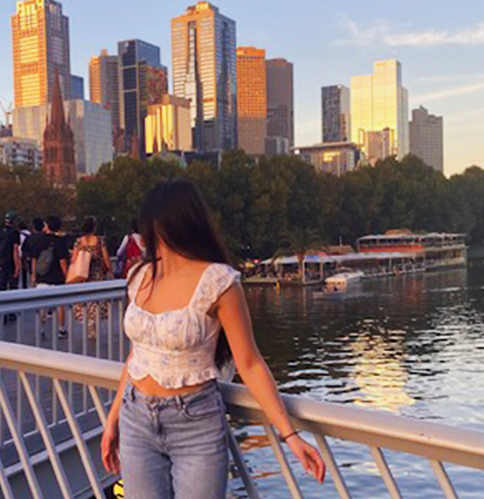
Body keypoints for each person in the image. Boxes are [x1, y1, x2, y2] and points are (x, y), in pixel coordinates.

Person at [101, 180, 325, 498]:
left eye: (148, 226)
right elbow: (137, 356)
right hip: (136, 418)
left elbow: (249, 363)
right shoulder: (140, 276)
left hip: (194, 424)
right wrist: (113, 420)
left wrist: (289, 434)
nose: (144, 236)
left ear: (168, 225)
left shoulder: (218, 282)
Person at [70, 216, 112, 337]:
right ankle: (93, 322)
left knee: (84, 299)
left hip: (83, 274)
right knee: (96, 299)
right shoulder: (100, 241)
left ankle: (86, 320)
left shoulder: (79, 241)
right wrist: (110, 271)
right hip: (97, 273)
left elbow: (74, 259)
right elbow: (106, 258)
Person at [29, 215, 69, 338]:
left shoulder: (39, 240)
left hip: (42, 276)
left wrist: (34, 274)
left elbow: (34, 259)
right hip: (57, 278)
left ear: (47, 226)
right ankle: (61, 329)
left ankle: (41, 329)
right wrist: (67, 276)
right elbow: (63, 261)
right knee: (61, 304)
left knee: (42, 305)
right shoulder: (60, 242)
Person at [0, 211, 21, 291]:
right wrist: (17, 266)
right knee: (13, 288)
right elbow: (15, 249)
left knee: (0, 286)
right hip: (10, 263)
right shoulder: (14, 232)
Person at [21, 218, 46, 287]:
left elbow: (24, 252)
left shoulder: (29, 238)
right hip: (46, 264)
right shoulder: (46, 238)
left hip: (32, 265)